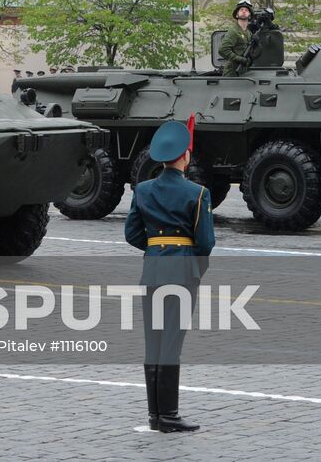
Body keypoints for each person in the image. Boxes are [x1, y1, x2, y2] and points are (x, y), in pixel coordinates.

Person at [125, 119, 215, 434]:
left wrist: (155, 250)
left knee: (154, 342)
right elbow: (204, 242)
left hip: (152, 271)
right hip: (182, 272)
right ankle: (170, 416)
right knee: (172, 344)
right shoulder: (198, 192)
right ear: (185, 157)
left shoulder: (143, 189)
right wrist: (195, 268)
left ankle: (155, 415)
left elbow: (132, 233)